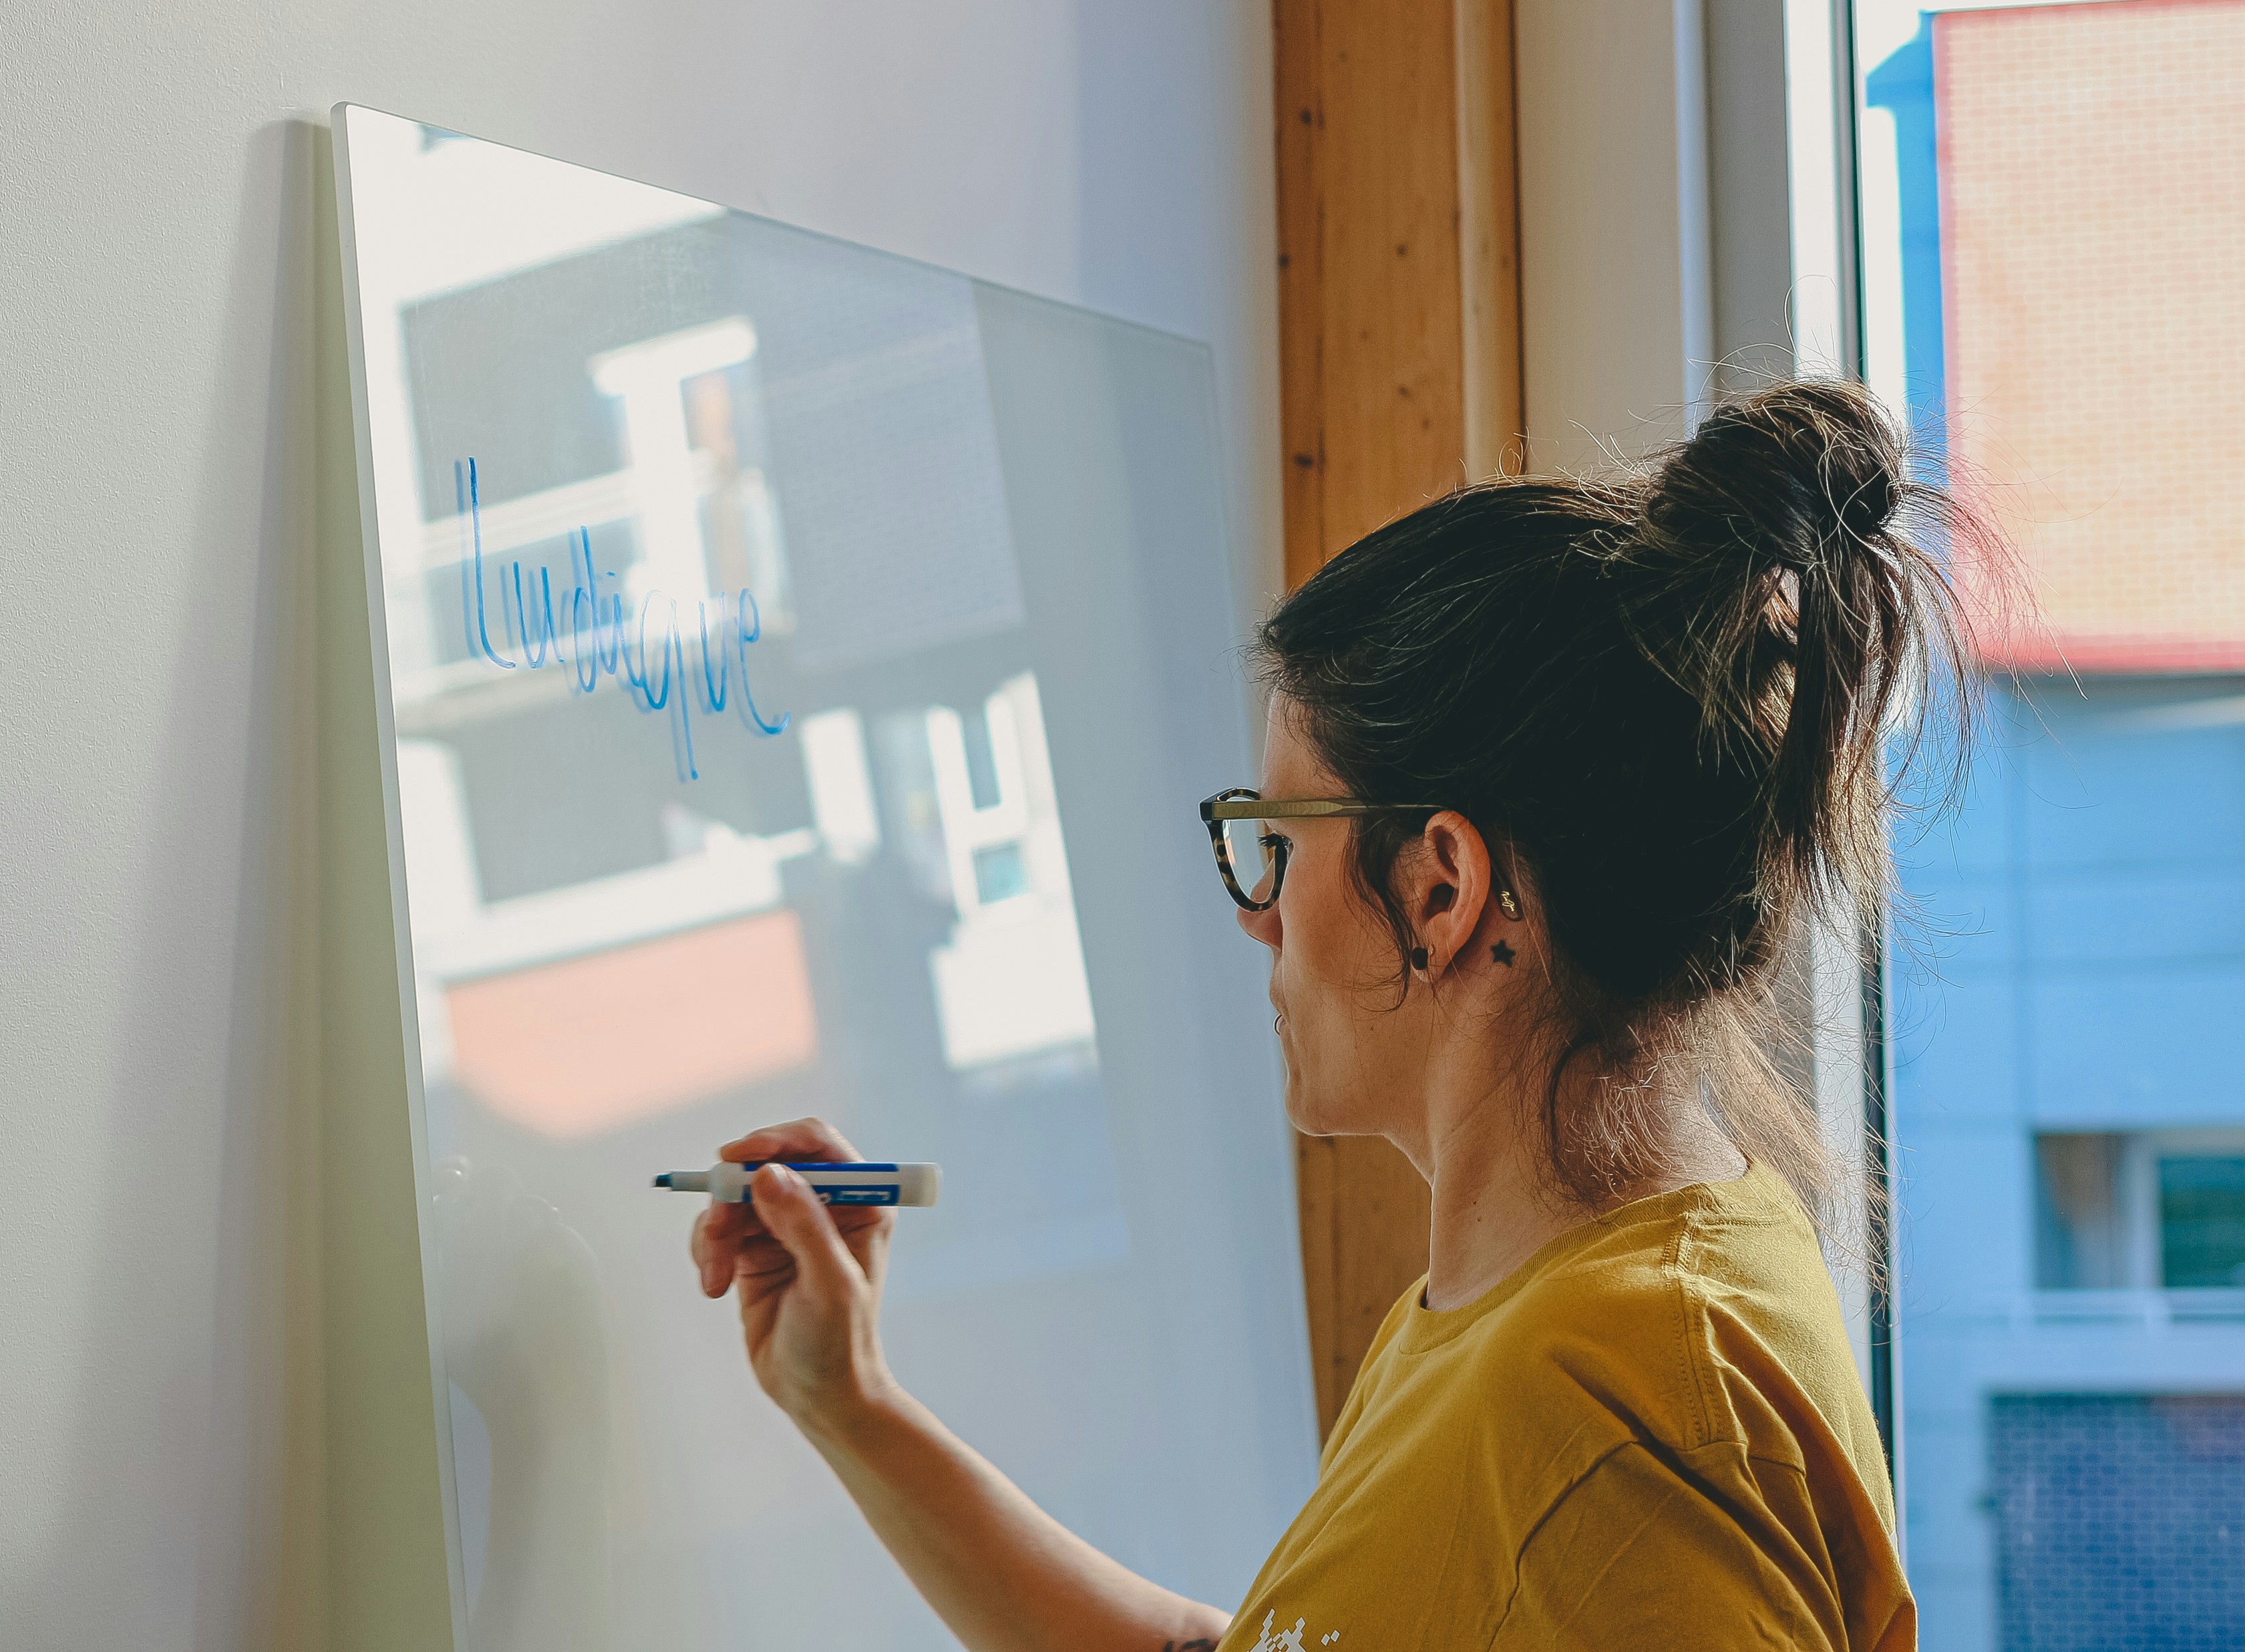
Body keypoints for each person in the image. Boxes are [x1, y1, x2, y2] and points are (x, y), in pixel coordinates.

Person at [688, 379, 1970, 1650]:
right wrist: (846, 1400)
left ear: (1441, 887)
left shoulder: (1608, 1423)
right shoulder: (1525, 1312)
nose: (1259, 915)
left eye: (1278, 839)